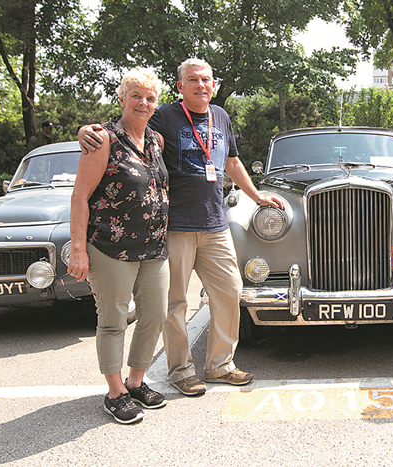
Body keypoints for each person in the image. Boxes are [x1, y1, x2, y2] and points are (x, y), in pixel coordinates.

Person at [79, 58, 284, 397]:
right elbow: (129, 123)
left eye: (206, 80)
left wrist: (256, 195)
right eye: (192, 80)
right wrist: (88, 130)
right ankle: (181, 371)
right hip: (174, 225)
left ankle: (219, 365)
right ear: (180, 87)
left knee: (230, 291)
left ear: (213, 85)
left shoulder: (220, 116)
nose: (200, 85)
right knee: (174, 304)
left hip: (215, 223)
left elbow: (231, 161)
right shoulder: (165, 115)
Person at [69, 68, 169, 423]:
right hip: (111, 246)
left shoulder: (156, 140)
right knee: (112, 321)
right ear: (122, 98)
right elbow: (80, 197)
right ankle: (115, 393)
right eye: (136, 95)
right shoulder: (103, 138)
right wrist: (78, 249)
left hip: (153, 246)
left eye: (150, 98)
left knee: (155, 315)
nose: (143, 102)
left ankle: (136, 381)